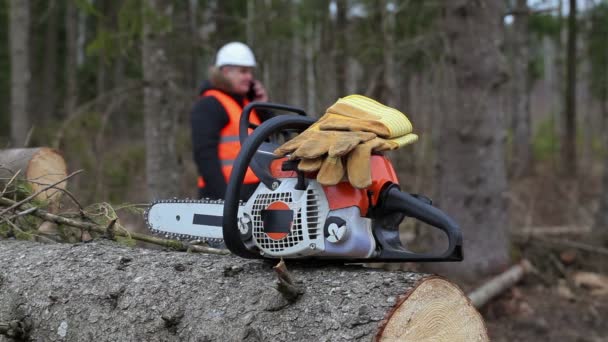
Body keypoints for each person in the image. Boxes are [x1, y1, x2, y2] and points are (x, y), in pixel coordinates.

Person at [191, 42, 272, 201]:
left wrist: (264, 106)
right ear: (226, 72)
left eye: (250, 72)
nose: (249, 77)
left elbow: (271, 140)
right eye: (243, 72)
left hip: (255, 193)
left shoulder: (249, 104)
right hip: (226, 194)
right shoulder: (210, 104)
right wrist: (226, 199)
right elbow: (205, 157)